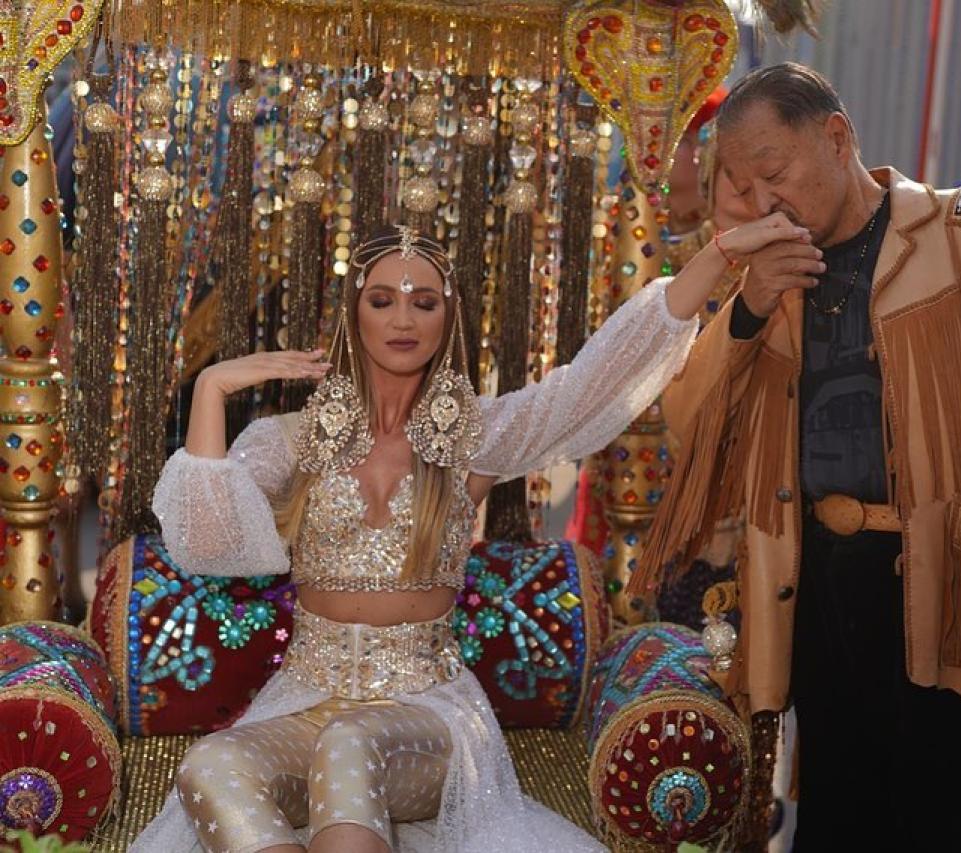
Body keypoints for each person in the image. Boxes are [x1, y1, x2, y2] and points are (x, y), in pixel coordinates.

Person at [130, 216, 806, 853]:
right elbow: (210, 540)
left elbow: (596, 382)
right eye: (383, 300)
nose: (403, 319)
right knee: (211, 764)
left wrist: (718, 253)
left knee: (349, 742)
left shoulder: (472, 436)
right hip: (308, 699)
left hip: (427, 714)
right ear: (354, 315)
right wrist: (212, 387)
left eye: (423, 302)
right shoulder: (290, 440)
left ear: (447, 318)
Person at [631, 62, 961, 851]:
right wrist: (749, 308)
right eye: (744, 187)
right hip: (823, 596)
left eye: (775, 172)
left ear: (837, 137)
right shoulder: (771, 277)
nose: (764, 201)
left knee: (960, 826)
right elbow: (689, 421)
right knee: (838, 823)